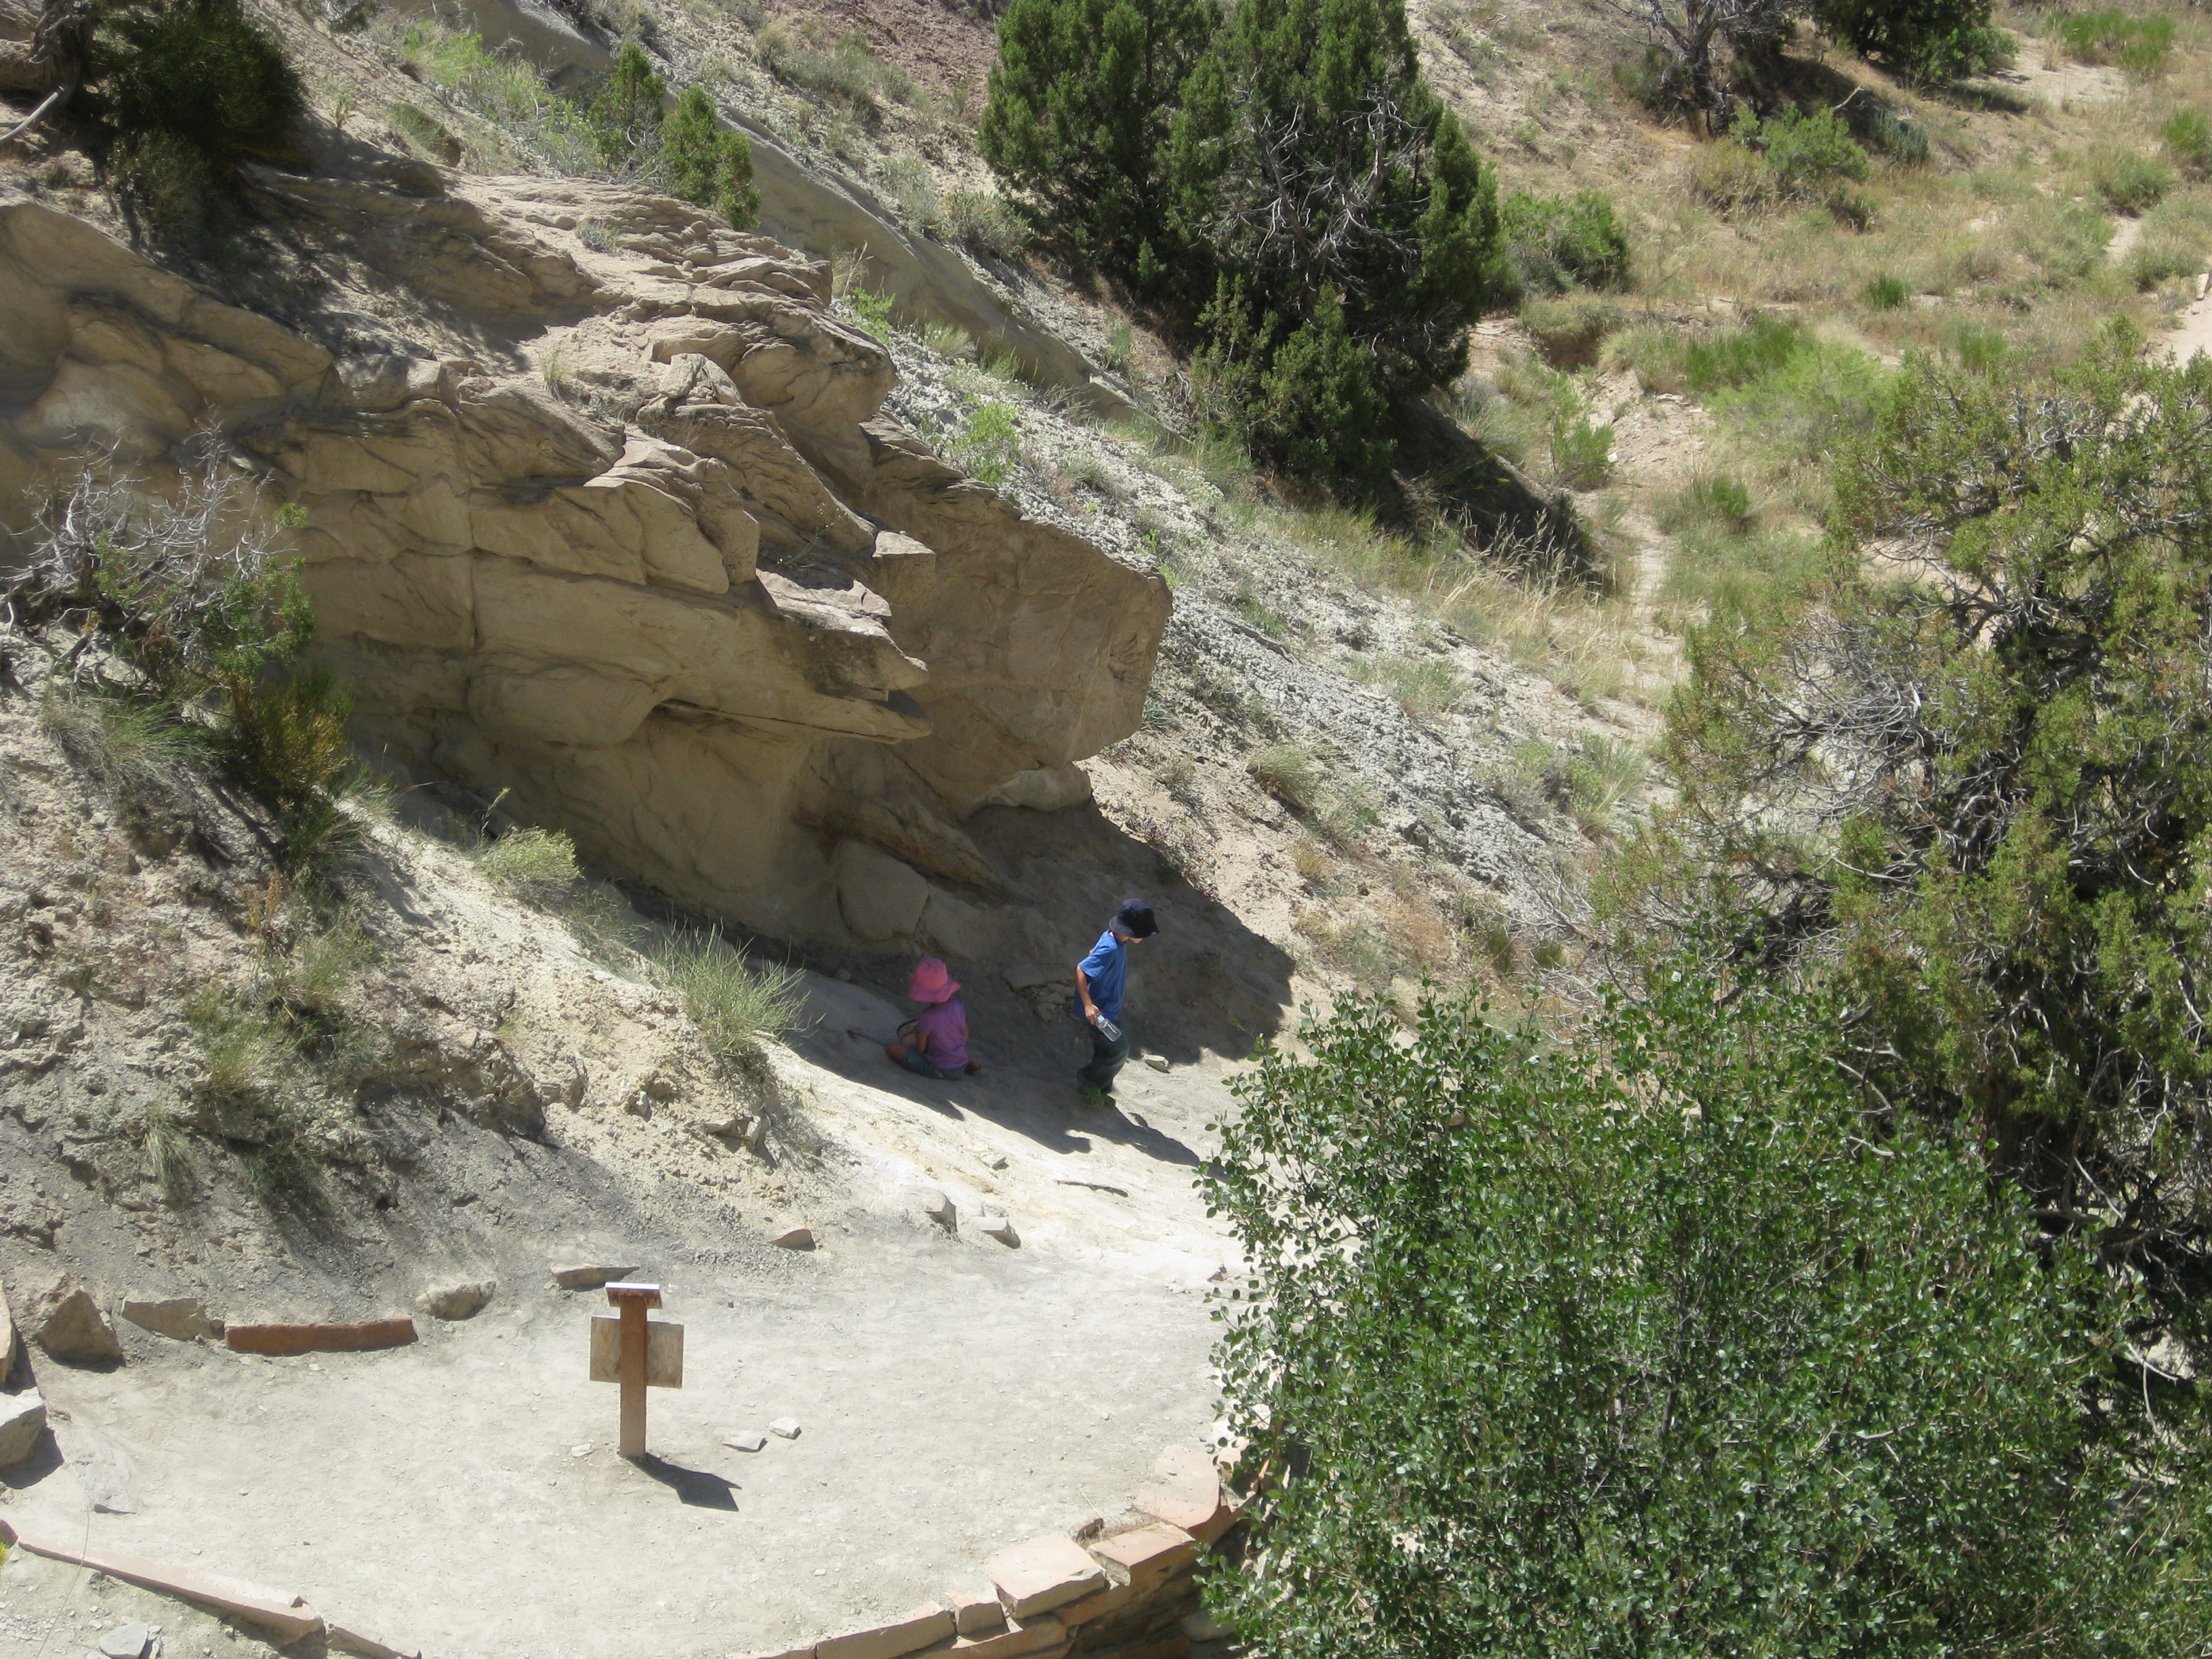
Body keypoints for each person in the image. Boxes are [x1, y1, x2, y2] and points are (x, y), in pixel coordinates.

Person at [1073, 898, 1158, 1106]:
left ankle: (1101, 1089)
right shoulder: (1111, 948)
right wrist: (1087, 1004)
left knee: (1106, 1050)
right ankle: (1090, 1083)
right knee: (1118, 1050)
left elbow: (1094, 957)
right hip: (1099, 1014)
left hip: (1108, 1010)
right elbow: (1081, 969)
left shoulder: (1116, 940)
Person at [886, 958, 979, 1080]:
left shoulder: (928, 1017)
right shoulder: (957, 1005)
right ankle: (971, 1063)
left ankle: (952, 1068)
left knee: (893, 1048)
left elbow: (920, 1049)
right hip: (960, 1064)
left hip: (941, 1069)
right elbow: (965, 1035)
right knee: (952, 1052)